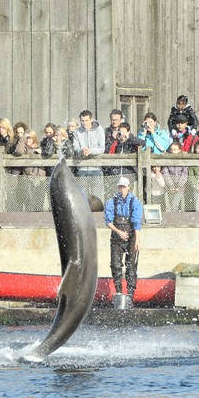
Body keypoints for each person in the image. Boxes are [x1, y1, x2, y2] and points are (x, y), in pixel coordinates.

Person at [104, 176, 143, 305]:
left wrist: (137, 240)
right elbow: (108, 221)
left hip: (131, 236)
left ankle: (131, 296)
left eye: (124, 187)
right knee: (115, 265)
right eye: (120, 187)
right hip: (116, 235)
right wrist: (119, 232)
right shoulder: (111, 202)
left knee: (131, 266)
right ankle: (119, 292)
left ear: (128, 187)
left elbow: (137, 222)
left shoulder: (135, 202)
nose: (121, 189)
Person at [72, 110, 105, 199]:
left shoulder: (99, 129)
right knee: (82, 196)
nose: (84, 123)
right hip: (81, 167)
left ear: (91, 120)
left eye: (86, 120)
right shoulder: (77, 131)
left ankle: (98, 213)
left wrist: (90, 151)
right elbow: (75, 147)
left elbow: (102, 148)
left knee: (97, 196)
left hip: (96, 167)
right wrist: (81, 150)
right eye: (82, 121)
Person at [162, 141, 188, 211]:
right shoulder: (167, 160)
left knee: (175, 204)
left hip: (181, 187)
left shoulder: (183, 160)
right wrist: (171, 186)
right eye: (172, 150)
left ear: (179, 150)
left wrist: (179, 186)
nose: (173, 152)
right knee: (168, 204)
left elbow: (184, 173)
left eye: (175, 150)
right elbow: (165, 173)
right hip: (169, 187)